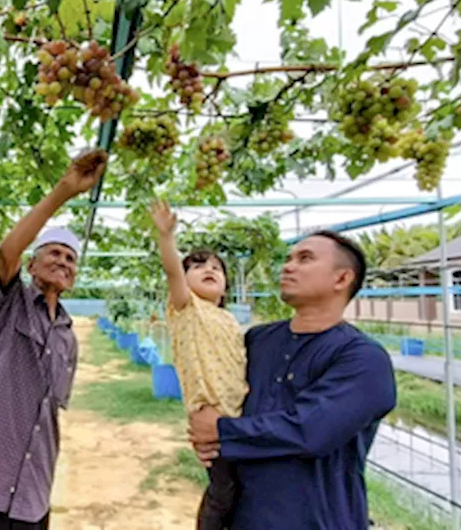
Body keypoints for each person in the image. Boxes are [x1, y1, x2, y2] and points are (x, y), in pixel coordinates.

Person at [0, 148, 108, 530]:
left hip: (32, 487)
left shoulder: (68, 338)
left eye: (71, 259)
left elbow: (49, 409)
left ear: (74, 278)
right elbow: (7, 249)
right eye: (54, 253)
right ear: (31, 264)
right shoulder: (10, 302)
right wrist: (65, 190)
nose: (63, 261)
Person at [187, 231, 397, 530]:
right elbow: (224, 395)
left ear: (341, 279)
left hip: (317, 520)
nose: (288, 266)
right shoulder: (257, 340)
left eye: (305, 258)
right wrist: (207, 433)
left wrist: (222, 431)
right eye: (288, 259)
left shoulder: (363, 359)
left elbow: (311, 431)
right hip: (243, 517)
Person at [149, 200, 246, 530]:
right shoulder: (186, 308)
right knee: (224, 492)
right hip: (212, 419)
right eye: (198, 266)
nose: (209, 269)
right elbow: (172, 269)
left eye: (217, 268)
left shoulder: (230, 320)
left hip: (244, 418)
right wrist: (166, 237)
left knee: (245, 492)